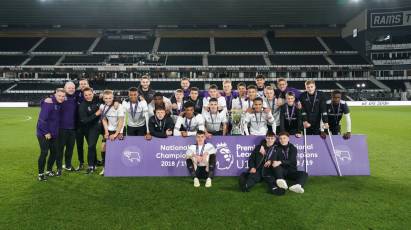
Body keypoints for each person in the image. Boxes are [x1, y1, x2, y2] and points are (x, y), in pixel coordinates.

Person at [36, 88, 66, 181]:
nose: (61, 98)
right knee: (44, 152)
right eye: (59, 96)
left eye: (63, 96)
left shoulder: (59, 104)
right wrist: (46, 132)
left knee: (54, 152)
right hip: (43, 133)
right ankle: (41, 174)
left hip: (54, 133)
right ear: (55, 95)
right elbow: (42, 120)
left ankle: (49, 170)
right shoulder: (48, 103)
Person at [100, 90, 125, 176]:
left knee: (118, 149)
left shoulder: (119, 106)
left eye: (110, 98)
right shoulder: (102, 106)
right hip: (109, 129)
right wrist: (106, 131)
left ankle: (119, 168)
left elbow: (121, 122)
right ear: (103, 98)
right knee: (103, 148)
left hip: (120, 129)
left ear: (113, 98)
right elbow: (104, 119)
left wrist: (116, 134)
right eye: (106, 98)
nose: (108, 100)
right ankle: (105, 167)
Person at [78, 87, 102, 174]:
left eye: (90, 94)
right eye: (86, 95)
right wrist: (96, 114)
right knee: (91, 146)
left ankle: (111, 163)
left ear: (93, 93)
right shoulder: (82, 106)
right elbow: (84, 120)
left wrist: (116, 101)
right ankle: (91, 166)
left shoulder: (99, 99)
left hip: (104, 125)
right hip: (92, 127)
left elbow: (111, 97)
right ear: (83, 96)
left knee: (109, 143)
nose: (88, 96)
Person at [57, 82, 77, 173]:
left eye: (73, 88)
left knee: (70, 148)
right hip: (61, 128)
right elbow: (49, 100)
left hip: (73, 129)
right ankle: (59, 167)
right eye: (69, 88)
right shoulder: (60, 98)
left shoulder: (75, 97)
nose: (71, 89)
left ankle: (68, 165)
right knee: (60, 149)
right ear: (65, 88)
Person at [74, 78, 91, 171]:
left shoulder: (92, 94)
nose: (83, 85)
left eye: (85, 83)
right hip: (78, 125)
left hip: (89, 125)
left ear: (88, 84)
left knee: (91, 145)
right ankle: (81, 163)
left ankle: (93, 161)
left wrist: (116, 99)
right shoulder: (75, 94)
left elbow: (106, 97)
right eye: (81, 84)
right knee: (79, 145)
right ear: (79, 85)